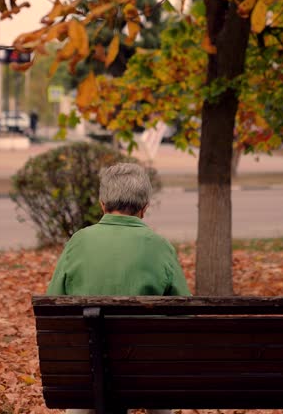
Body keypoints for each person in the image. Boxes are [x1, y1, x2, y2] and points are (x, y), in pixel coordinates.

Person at [47, 163, 190, 414]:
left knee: (86, 384)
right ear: (145, 208)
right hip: (146, 372)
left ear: (102, 204)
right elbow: (185, 314)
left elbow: (53, 307)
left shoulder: (78, 242)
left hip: (88, 369)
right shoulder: (160, 246)